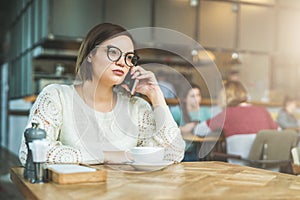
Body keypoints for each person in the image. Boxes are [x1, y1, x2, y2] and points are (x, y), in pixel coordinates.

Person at [19, 23, 185, 165]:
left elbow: (173, 154)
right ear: (90, 54)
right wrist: (110, 156)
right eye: (113, 52)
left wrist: (156, 96)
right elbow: (30, 152)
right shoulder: (57, 96)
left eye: (129, 57)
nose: (122, 62)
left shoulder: (137, 107)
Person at [193, 81, 278, 138]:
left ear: (225, 96)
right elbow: (279, 132)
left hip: (238, 162)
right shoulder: (262, 110)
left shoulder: (228, 114)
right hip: (263, 163)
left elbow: (198, 130)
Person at [171, 84, 212, 161]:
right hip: (181, 151)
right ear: (184, 99)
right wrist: (182, 129)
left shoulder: (206, 111)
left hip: (201, 150)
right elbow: (166, 130)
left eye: (198, 95)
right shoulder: (177, 111)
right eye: (193, 96)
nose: (197, 99)